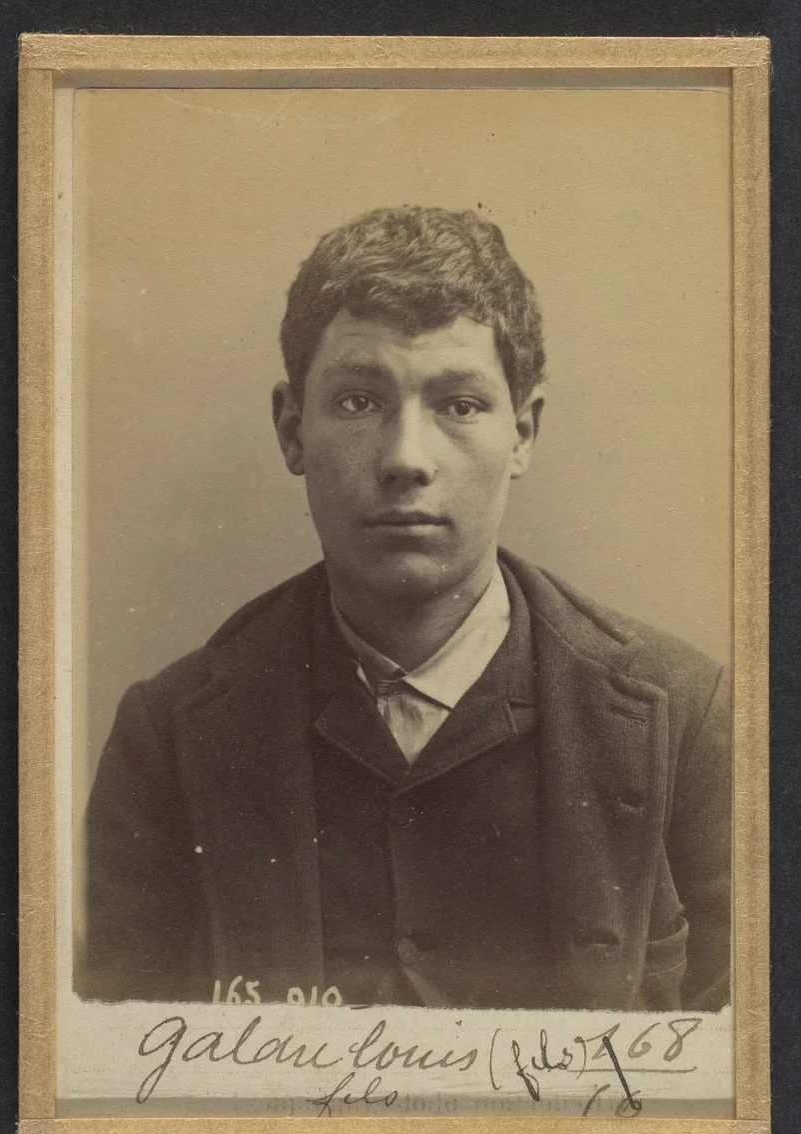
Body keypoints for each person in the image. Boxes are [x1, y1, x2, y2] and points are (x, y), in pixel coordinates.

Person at [79, 206, 731, 1012]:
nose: (406, 460)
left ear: (523, 432)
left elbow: (747, 1086)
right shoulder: (167, 738)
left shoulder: (687, 719)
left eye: (459, 405)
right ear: (292, 430)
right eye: (358, 402)